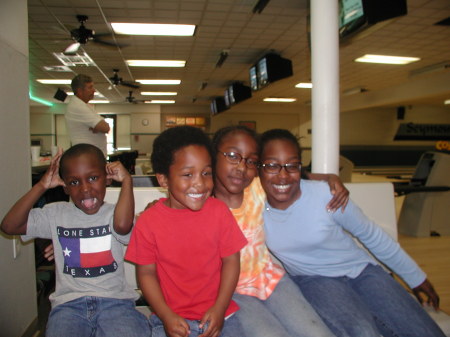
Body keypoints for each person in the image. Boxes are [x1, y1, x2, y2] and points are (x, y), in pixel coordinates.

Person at [258, 128, 446, 337]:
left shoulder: (326, 195)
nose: (283, 175)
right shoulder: (252, 206)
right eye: (272, 165)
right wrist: (329, 176)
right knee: (364, 332)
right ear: (259, 167)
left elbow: (372, 236)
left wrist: (416, 278)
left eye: (292, 165)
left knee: (422, 330)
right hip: (315, 280)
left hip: (362, 271)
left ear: (300, 166)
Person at [211, 125, 348, 337]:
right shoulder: (203, 205)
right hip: (232, 292)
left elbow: (291, 177)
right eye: (232, 156)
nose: (241, 167)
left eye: (251, 161)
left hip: (271, 280)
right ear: (213, 156)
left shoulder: (256, 189)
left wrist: (330, 177)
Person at [1, 144, 150, 337]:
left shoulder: (116, 213)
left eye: (93, 178)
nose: (85, 188)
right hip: (69, 305)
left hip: (115, 303)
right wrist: (42, 185)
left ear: (107, 178)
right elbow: (9, 226)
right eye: (74, 182)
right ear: (65, 187)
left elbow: (122, 226)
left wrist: (127, 181)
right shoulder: (55, 213)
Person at [125, 125, 248, 337]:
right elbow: (146, 273)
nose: (199, 184)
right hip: (170, 319)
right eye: (187, 174)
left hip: (220, 315)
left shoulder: (219, 212)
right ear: (164, 179)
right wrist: (165, 315)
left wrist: (219, 309)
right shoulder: (149, 222)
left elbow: (231, 262)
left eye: (206, 173)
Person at [66, 74, 110, 156]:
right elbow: (105, 127)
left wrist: (99, 126)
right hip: (87, 158)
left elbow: (105, 126)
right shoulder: (78, 106)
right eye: (90, 87)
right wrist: (99, 127)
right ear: (80, 91)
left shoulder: (85, 106)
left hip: (92, 156)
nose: (94, 90)